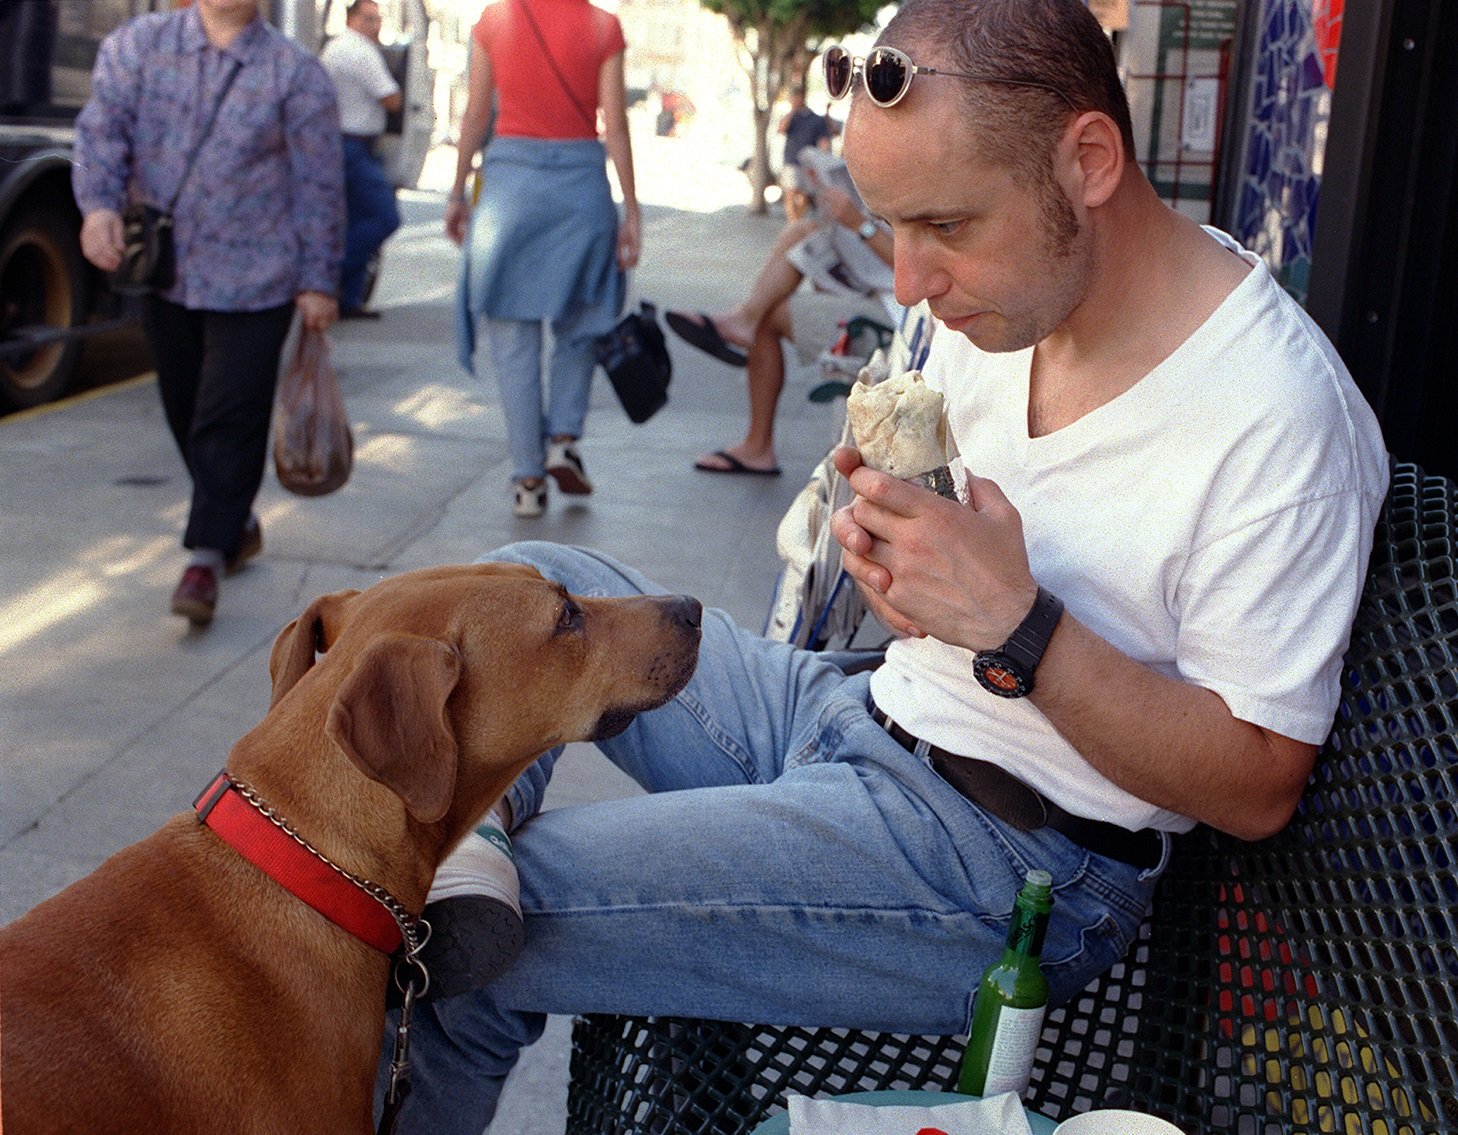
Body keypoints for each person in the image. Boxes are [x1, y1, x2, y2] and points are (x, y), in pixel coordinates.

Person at [380, 1, 1387, 1129]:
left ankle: (463, 873)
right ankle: (470, 844)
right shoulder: (1004, 311)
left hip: (999, 861)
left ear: (1089, 160)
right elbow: (942, 603)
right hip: (852, 716)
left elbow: (1258, 785)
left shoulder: (1278, 417)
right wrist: (902, 576)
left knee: (468, 933)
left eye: (944, 226)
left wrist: (1019, 629)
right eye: (891, 227)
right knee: (524, 582)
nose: (909, 283)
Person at [74, 0, 343, 627]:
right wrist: (97, 205)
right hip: (166, 271)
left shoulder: (294, 72)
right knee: (186, 408)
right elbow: (100, 131)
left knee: (230, 412)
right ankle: (234, 520)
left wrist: (319, 279)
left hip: (259, 279)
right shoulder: (136, 47)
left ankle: (204, 557)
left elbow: (320, 184)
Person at [447, 0, 640, 519]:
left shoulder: (495, 20)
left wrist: (457, 191)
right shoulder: (604, 27)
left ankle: (528, 480)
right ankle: (562, 438)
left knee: (512, 338)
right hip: (582, 186)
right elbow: (615, 125)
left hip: (511, 186)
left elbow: (475, 114)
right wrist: (632, 212)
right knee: (581, 323)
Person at [666, 163, 894, 475]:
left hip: (898, 315)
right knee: (803, 231)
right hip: (879, 292)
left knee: (769, 317)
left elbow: (914, 264)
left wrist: (858, 223)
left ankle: (758, 445)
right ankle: (745, 317)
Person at [320, 0, 402, 320]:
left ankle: (350, 299)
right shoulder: (358, 51)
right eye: (369, 19)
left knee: (355, 220)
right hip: (352, 146)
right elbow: (392, 99)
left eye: (378, 19)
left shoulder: (339, 48)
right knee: (385, 218)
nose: (376, 26)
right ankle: (331, 276)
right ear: (351, 19)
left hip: (347, 144)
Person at [777, 84, 832, 221]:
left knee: (805, 195)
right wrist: (792, 111)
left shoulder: (816, 119)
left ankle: (797, 221)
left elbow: (824, 141)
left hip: (808, 163)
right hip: (791, 160)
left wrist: (822, 160)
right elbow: (781, 130)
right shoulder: (791, 118)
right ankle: (793, 224)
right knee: (790, 192)